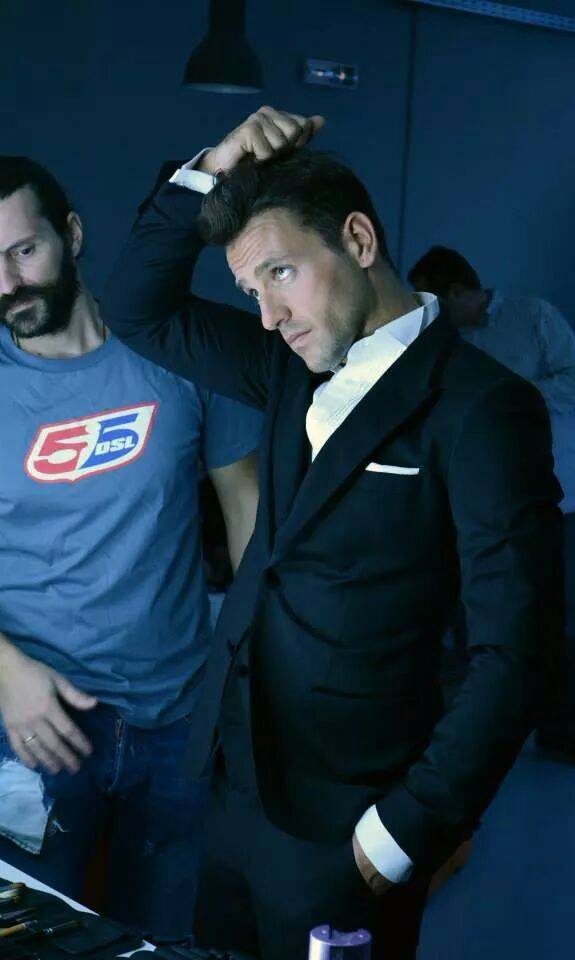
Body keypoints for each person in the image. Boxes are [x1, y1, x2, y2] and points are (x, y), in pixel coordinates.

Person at [102, 108, 563, 960]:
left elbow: (517, 651)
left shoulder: (484, 408)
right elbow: (135, 308)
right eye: (251, 291)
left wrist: (402, 833)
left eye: (280, 272)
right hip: (229, 791)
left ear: (356, 239)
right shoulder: (284, 364)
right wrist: (213, 166)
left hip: (349, 823)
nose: (269, 314)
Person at [0, 157, 261, 941]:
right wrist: (6, 673)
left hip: (178, 721)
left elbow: (249, 519)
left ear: (72, 234)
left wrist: (248, 683)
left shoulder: (178, 350)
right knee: (35, 945)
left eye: (23, 251)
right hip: (31, 726)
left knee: (164, 943)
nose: (7, 283)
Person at [409, 245, 575, 755]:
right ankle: (482, 735)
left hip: (559, 496)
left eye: (438, 303)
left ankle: (560, 730)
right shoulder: (444, 343)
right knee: (482, 617)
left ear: (461, 291)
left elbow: (574, 380)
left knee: (561, 614)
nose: (432, 315)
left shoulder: (533, 316)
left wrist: (508, 399)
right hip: (480, 505)